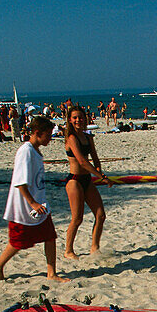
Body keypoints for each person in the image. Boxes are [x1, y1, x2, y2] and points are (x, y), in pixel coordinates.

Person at [0, 115, 66, 282]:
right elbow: (20, 182)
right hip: (24, 206)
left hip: (39, 204)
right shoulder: (26, 151)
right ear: (37, 133)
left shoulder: (35, 151)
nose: (50, 139)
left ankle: (51, 273)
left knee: (50, 236)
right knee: (18, 241)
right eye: (48, 134)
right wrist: (32, 203)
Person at [63, 106, 108, 258]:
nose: (78, 120)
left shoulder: (88, 137)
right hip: (74, 181)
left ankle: (94, 247)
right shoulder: (71, 138)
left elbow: (94, 158)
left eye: (80, 117)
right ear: (70, 119)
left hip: (87, 180)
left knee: (100, 215)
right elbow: (82, 161)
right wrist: (100, 176)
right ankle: (68, 250)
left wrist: (100, 170)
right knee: (77, 219)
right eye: (75, 117)